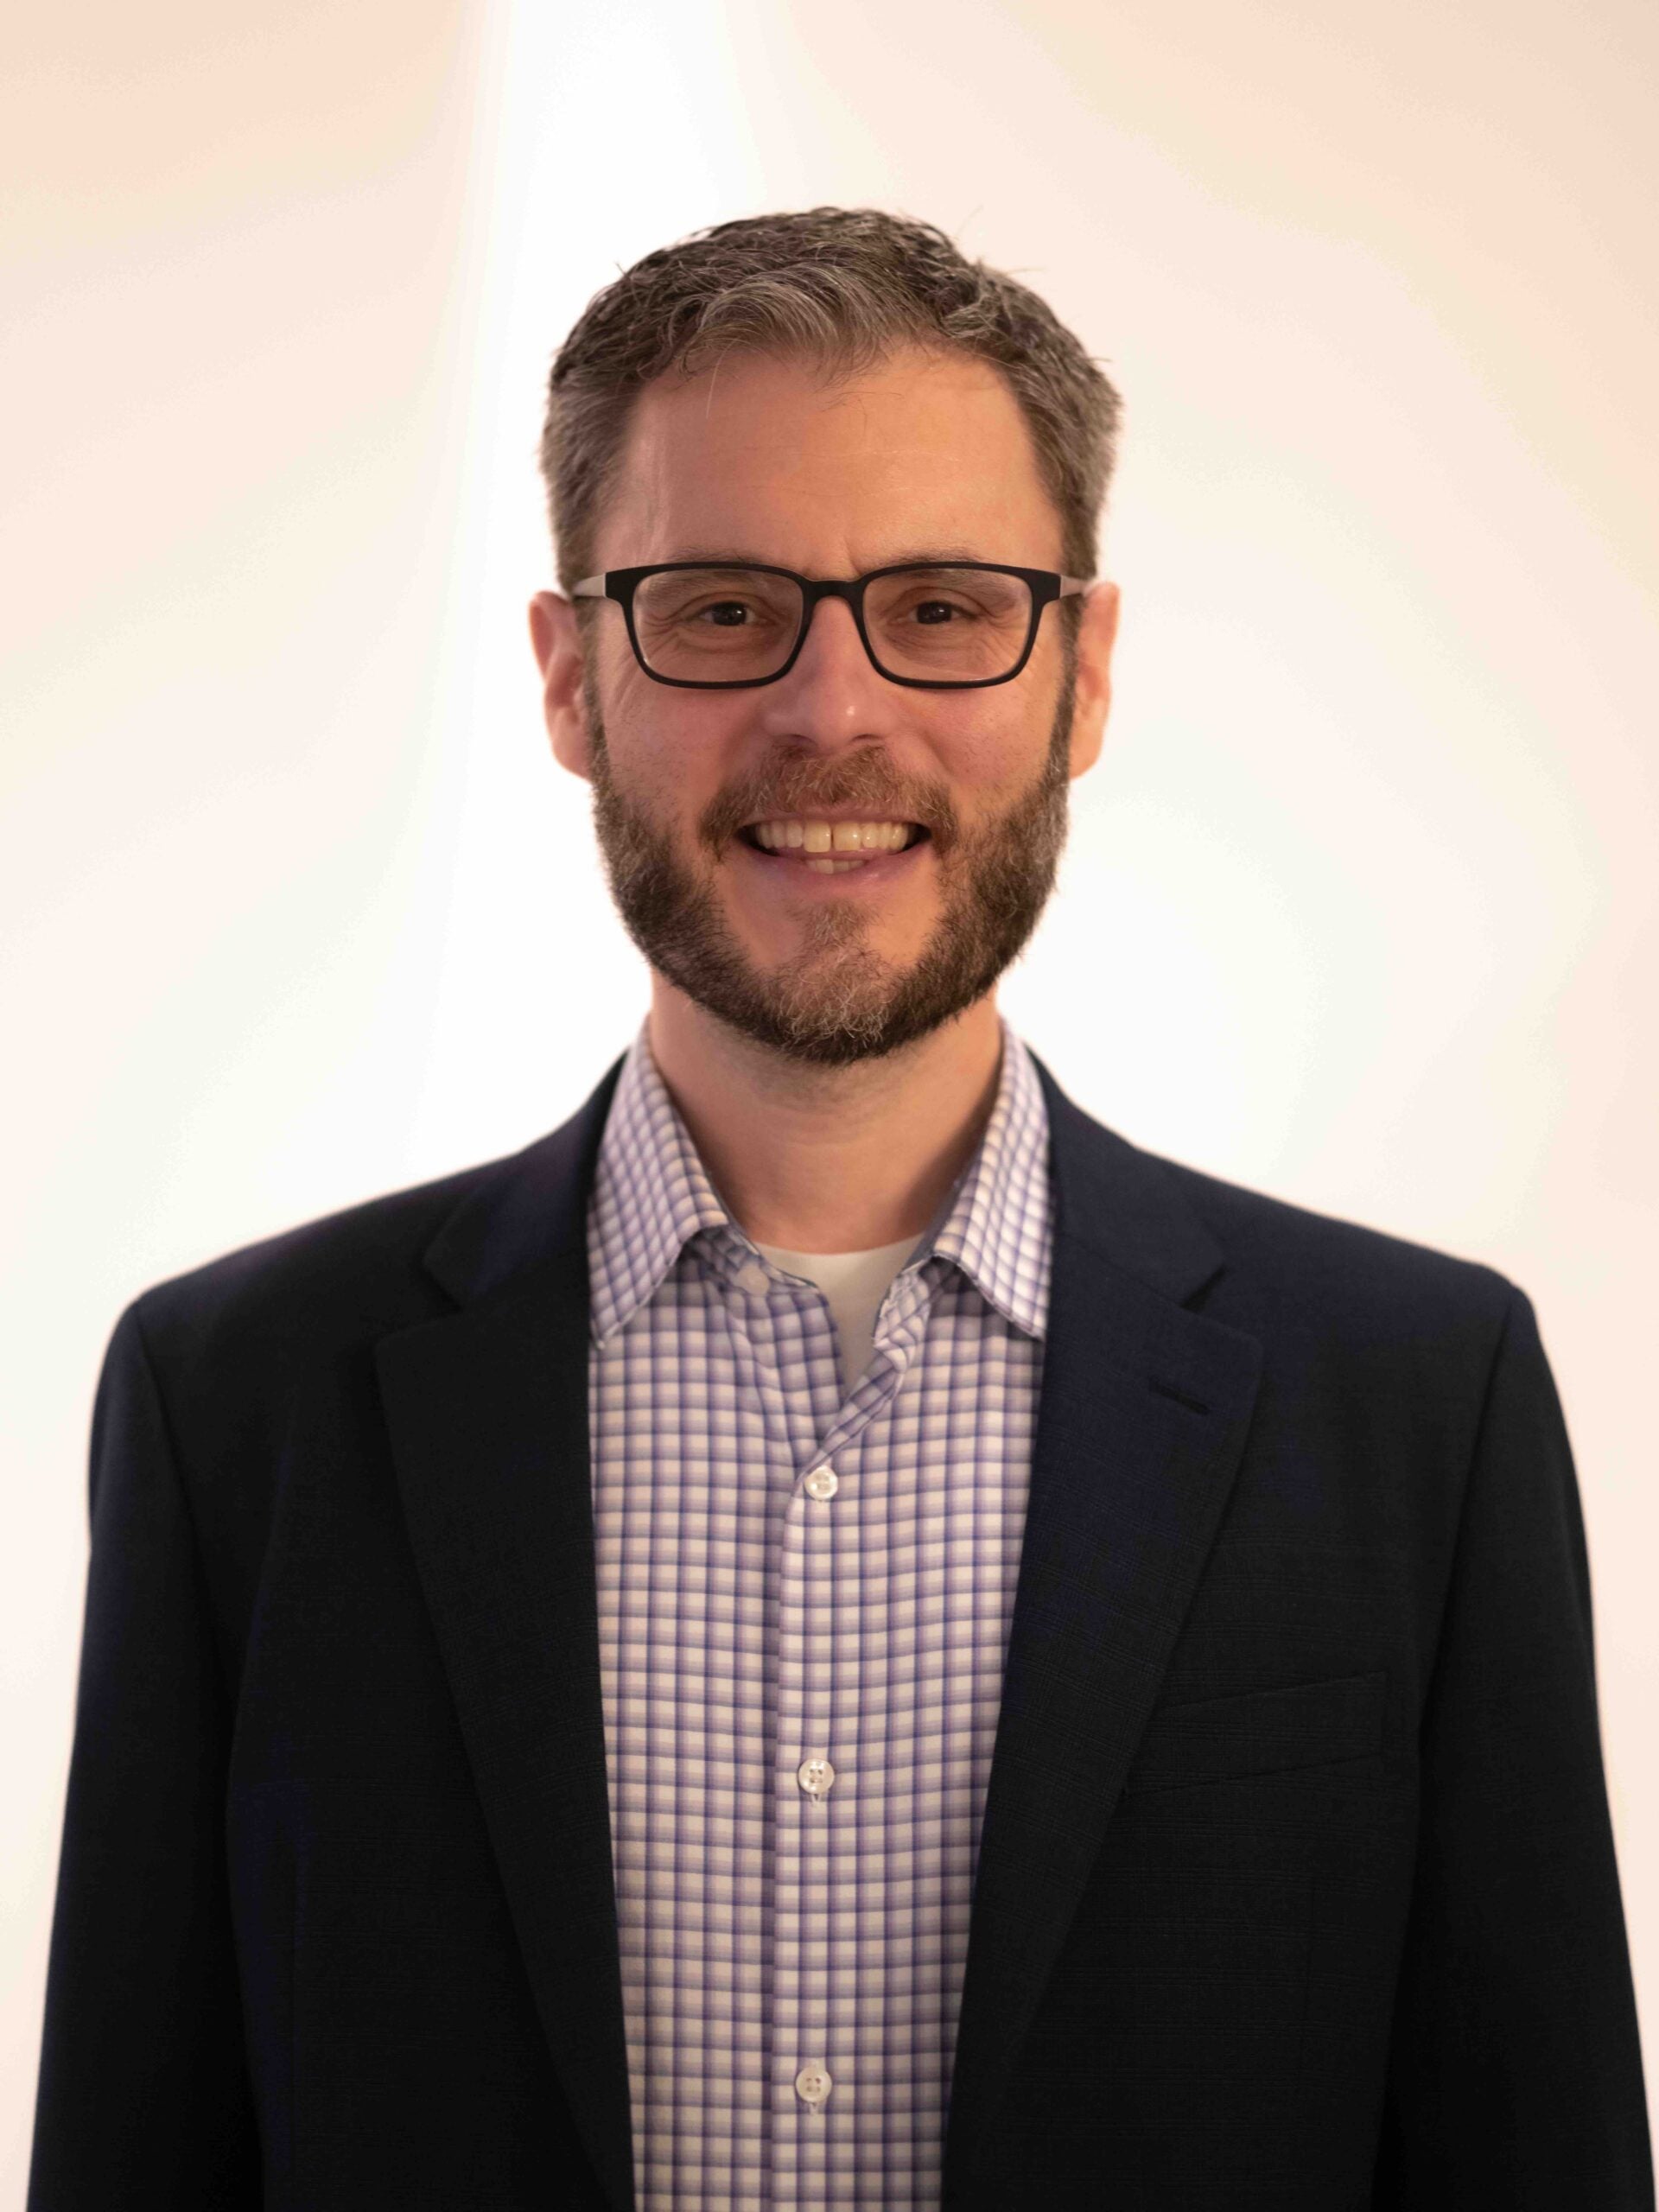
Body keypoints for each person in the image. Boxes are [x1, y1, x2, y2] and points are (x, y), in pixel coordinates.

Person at [28, 207, 1652, 2211]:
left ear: (1082, 673)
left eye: (943, 606)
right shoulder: (235, 1408)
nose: (830, 710)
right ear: (569, 676)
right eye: (723, 607)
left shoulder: (1418, 1405)